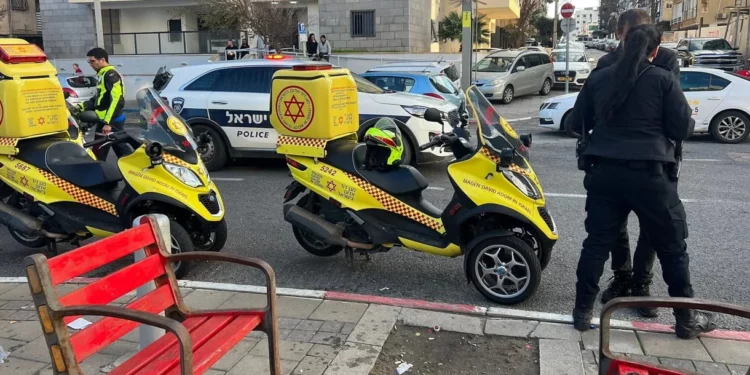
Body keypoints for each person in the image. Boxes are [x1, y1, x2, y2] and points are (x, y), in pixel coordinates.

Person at [569, 23, 717, 339]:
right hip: (652, 177)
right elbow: (681, 129)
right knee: (673, 248)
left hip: (605, 175)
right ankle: (685, 320)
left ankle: (582, 313)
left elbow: (575, 122)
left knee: (596, 244)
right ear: (654, 50)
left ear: (623, 45)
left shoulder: (600, 78)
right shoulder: (663, 80)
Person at [572, 9, 681, 319]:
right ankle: (623, 277)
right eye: (636, 31)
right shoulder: (607, 64)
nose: (641, 37)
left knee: (652, 231)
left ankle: (640, 285)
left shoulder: (666, 61)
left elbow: (672, 113)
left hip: (653, 161)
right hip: (630, 162)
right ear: (620, 33)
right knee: (614, 230)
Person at [79, 48, 129, 160]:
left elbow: (117, 100)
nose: (90, 64)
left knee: (102, 150)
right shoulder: (103, 74)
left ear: (102, 60)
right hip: (105, 121)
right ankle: (133, 168)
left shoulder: (111, 75)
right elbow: (99, 98)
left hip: (111, 122)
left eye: (92, 61)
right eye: (89, 62)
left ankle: (136, 170)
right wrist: (80, 107)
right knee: (117, 148)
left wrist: (108, 123)